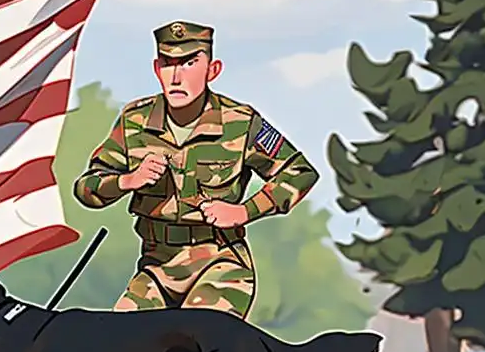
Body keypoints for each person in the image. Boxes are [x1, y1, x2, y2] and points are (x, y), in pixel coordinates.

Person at [73, 20, 319, 317]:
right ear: (156, 69)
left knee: (197, 341)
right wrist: (127, 180)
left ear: (212, 70)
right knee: (120, 347)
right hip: (155, 268)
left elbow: (300, 172)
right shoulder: (134, 120)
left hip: (220, 264)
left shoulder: (239, 122)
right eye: (168, 64)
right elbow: (86, 188)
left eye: (189, 63)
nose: (176, 76)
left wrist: (244, 212)